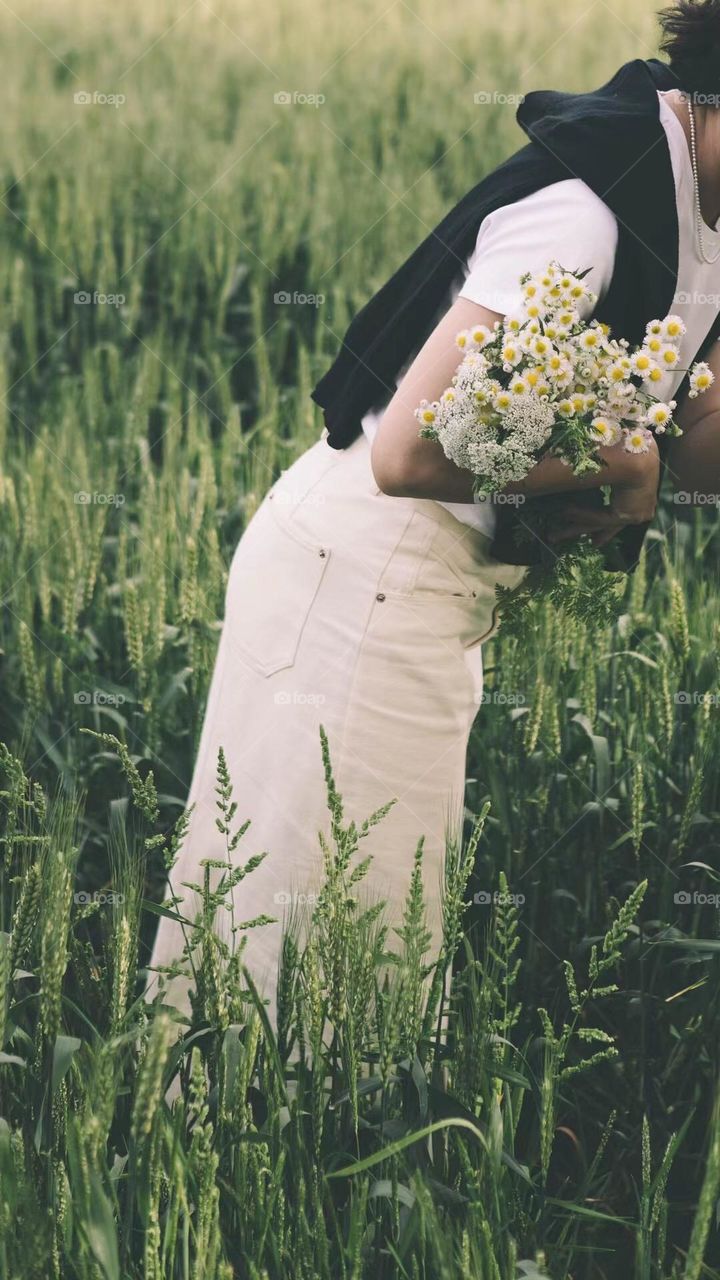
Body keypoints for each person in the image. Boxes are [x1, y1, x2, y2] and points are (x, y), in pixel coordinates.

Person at [147, 1, 720, 1026]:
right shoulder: (590, 207)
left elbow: (692, 439)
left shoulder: (699, 216)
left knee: (356, 975)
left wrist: (652, 451)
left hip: (421, 595)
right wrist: (623, 458)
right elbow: (407, 448)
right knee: (317, 989)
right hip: (359, 581)